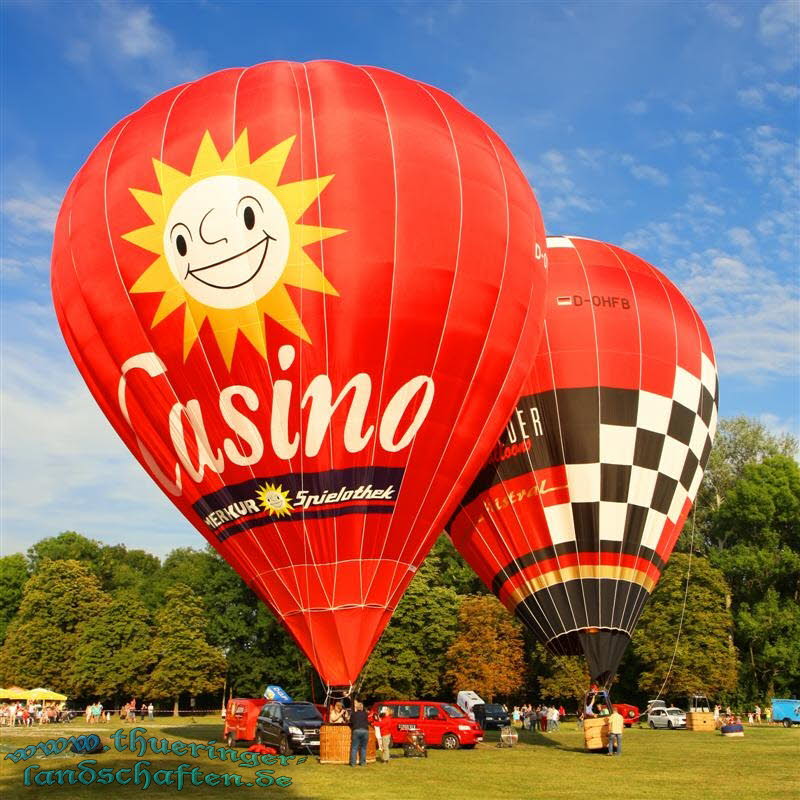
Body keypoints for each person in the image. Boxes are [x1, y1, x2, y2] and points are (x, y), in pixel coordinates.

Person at [349, 701, 370, 767]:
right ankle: (363, 763)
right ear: (362, 708)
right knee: (363, 748)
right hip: (365, 730)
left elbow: (350, 721)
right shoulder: (366, 714)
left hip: (356, 730)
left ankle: (353, 763)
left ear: (357, 708)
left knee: (354, 748)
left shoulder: (353, 714)